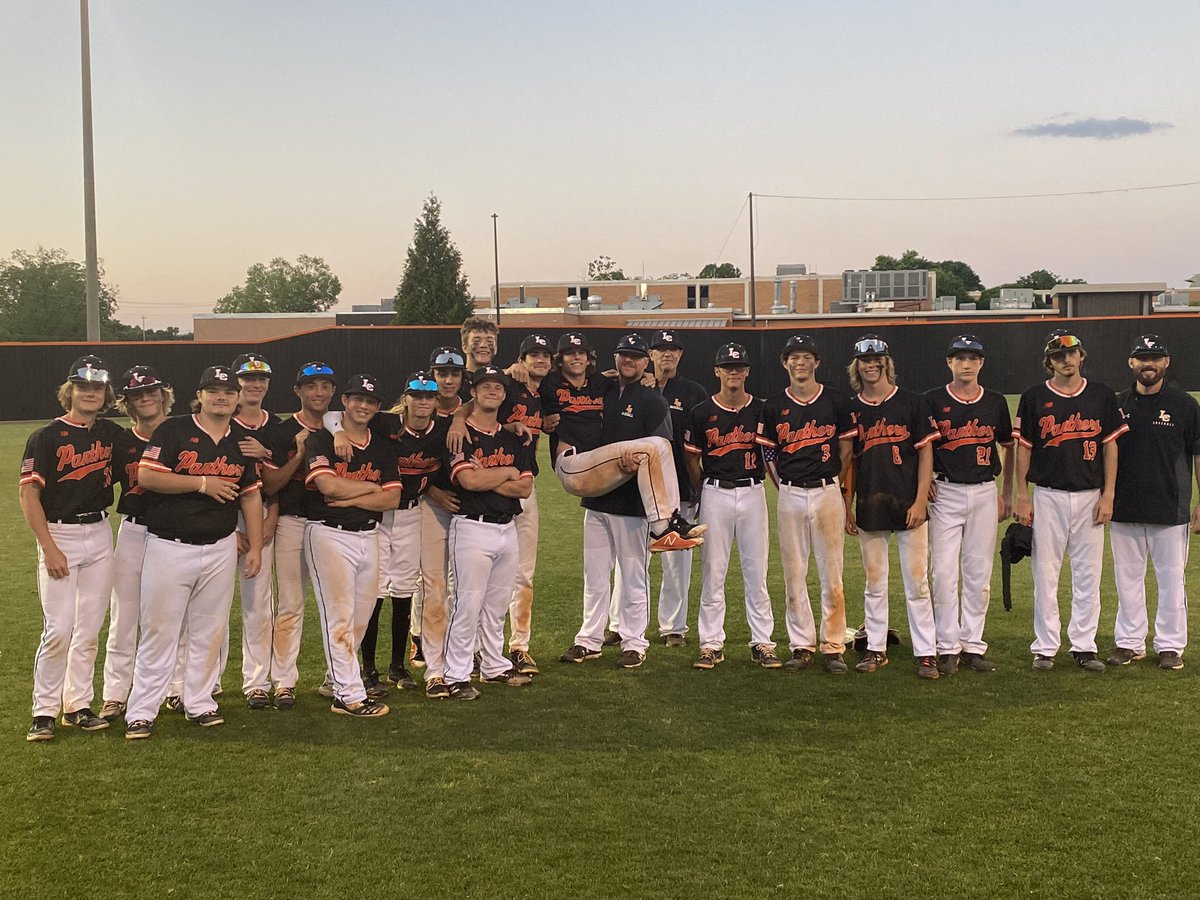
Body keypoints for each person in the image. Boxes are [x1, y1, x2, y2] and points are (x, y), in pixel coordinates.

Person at [123, 366, 263, 739]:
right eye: (213, 390)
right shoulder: (174, 430)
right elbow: (147, 476)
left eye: (228, 391)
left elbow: (250, 493)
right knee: (159, 630)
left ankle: (198, 702)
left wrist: (257, 547)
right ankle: (141, 711)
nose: (222, 397)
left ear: (237, 398)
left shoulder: (242, 441)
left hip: (218, 547)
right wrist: (202, 483)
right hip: (170, 545)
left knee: (209, 631)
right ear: (199, 395)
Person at [558, 334, 695, 669]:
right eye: (623, 355)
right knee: (594, 575)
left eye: (635, 357)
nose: (628, 362)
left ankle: (634, 642)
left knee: (634, 575)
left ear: (646, 361)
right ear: (614, 359)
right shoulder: (601, 391)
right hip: (597, 498)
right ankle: (589, 640)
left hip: (633, 503)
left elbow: (660, 447)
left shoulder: (651, 400)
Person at [1013, 329, 1127, 673]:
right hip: (1047, 495)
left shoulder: (1102, 395)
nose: (1066, 360)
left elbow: (1111, 445)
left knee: (1088, 574)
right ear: (1049, 362)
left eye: (1071, 353)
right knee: (1045, 573)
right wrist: (1021, 494)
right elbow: (1024, 449)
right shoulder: (1034, 397)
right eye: (1058, 356)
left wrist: (1108, 494)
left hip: (1090, 495)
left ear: (1081, 356)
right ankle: (1045, 646)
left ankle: (1083, 645)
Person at [22, 355, 122, 741]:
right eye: (83, 386)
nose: (90, 392)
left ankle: (77, 705)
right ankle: (43, 710)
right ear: (70, 391)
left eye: (97, 387)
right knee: (59, 628)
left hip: (99, 531)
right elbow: (29, 495)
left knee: (88, 629)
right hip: (59, 534)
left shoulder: (111, 434)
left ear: (106, 393)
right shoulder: (45, 437)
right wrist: (48, 548)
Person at [541, 331, 703, 554]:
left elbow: (619, 379)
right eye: (570, 353)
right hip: (571, 465)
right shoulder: (550, 382)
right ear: (560, 359)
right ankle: (660, 529)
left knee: (661, 445)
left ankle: (672, 520)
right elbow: (516, 383)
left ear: (589, 359)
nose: (576, 357)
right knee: (649, 449)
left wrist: (648, 378)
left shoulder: (599, 383)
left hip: (596, 468)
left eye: (581, 353)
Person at [840, 335, 941, 679]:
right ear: (857, 366)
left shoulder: (912, 403)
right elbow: (848, 461)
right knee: (875, 580)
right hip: (870, 501)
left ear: (886, 363)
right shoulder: (852, 408)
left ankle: (926, 652)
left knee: (917, 582)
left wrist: (919, 499)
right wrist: (846, 505)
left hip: (907, 503)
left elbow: (926, 452)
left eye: (877, 360)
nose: (871, 365)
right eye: (864, 361)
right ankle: (876, 648)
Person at [303, 374, 401, 717]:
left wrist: (362, 495)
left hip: (370, 535)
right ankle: (348, 695)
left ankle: (335, 679)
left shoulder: (384, 444)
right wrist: (372, 490)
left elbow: (393, 498)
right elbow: (328, 488)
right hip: (329, 534)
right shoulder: (320, 440)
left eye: (371, 401)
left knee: (361, 615)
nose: (364, 406)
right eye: (358, 398)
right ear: (344, 400)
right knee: (340, 617)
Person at [684, 343, 782, 670]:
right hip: (715, 492)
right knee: (713, 571)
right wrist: (704, 491)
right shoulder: (701, 412)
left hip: (753, 492)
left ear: (748, 371)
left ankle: (763, 643)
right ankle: (711, 644)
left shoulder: (762, 410)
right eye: (727, 367)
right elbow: (692, 458)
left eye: (738, 367)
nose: (733, 372)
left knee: (757, 572)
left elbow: (772, 455)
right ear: (717, 371)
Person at [440, 365, 535, 699]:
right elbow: (469, 481)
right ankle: (456, 674)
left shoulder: (516, 435)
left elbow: (524, 488)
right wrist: (507, 471)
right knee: (467, 604)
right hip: (471, 527)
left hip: (507, 529)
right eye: (485, 387)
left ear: (504, 394)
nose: (492, 392)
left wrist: (494, 476)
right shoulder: (459, 434)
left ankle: (494, 665)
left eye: (498, 387)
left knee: (496, 605)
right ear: (474, 393)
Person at [1106, 335, 1200, 670]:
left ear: (1166, 362)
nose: (1149, 364)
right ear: (1131, 363)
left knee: (1172, 579)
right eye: (1142, 357)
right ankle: (1130, 643)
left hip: (1170, 509)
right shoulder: (1117, 404)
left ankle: (1170, 645)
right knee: (1127, 578)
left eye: (1155, 357)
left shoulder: (1185, 405)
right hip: (1125, 508)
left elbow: (1198, 454)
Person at [759, 334, 849, 674]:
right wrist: (784, 486)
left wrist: (836, 480)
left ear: (816, 363)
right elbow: (768, 453)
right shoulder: (773, 406)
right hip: (791, 492)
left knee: (832, 572)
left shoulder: (836, 401)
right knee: (794, 572)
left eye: (806, 356)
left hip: (827, 490)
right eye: (794, 357)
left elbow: (846, 448)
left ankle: (833, 645)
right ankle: (801, 644)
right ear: (785, 363)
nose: (800, 362)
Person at [924, 335, 1013, 675]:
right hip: (945, 492)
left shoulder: (994, 401)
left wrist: (1005, 491)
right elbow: (923, 446)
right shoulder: (932, 401)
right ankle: (946, 645)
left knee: (978, 575)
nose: (966, 364)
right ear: (949, 363)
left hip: (984, 491)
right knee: (943, 572)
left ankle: (972, 644)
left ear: (981, 363)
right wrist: (927, 478)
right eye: (960, 358)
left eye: (973, 358)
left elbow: (1008, 444)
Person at [620, 329, 708, 645]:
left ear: (680, 355)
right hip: (635, 490)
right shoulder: (632, 388)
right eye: (660, 349)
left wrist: (699, 485)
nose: (667, 354)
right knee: (630, 562)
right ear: (650, 356)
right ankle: (622, 626)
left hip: (680, 489)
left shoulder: (694, 392)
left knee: (677, 563)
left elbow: (702, 444)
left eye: (673, 350)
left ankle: (673, 628)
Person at [260, 361, 337, 709]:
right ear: (298, 391)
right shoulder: (280, 432)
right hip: (292, 521)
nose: (318, 393)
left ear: (333, 391)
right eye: (311, 386)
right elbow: (270, 484)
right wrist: (300, 455)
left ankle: (338, 676)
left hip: (332, 524)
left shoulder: (342, 427)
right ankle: (284, 681)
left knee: (335, 605)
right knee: (290, 604)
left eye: (324, 386)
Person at [99, 366, 173, 722]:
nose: (146, 398)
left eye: (151, 391)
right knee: (124, 614)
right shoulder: (120, 442)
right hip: (134, 531)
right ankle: (115, 693)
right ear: (127, 403)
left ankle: (177, 686)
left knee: (175, 615)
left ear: (163, 394)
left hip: (176, 535)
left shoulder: (183, 432)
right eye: (137, 394)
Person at [225, 352, 281, 709]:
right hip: (218, 521)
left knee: (259, 602)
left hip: (262, 515)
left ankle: (257, 681)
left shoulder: (277, 426)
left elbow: (283, 482)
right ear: (235, 384)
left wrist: (269, 520)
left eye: (261, 378)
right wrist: (229, 527)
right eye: (247, 378)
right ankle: (201, 682)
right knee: (208, 605)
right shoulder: (219, 423)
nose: (255, 384)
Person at [499, 334, 551, 675]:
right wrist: (506, 372)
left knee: (524, 574)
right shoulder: (505, 384)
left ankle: (519, 645)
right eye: (533, 355)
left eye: (546, 355)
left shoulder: (546, 392)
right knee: (487, 575)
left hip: (527, 484)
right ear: (521, 359)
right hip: (494, 485)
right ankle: (477, 648)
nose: (540, 360)